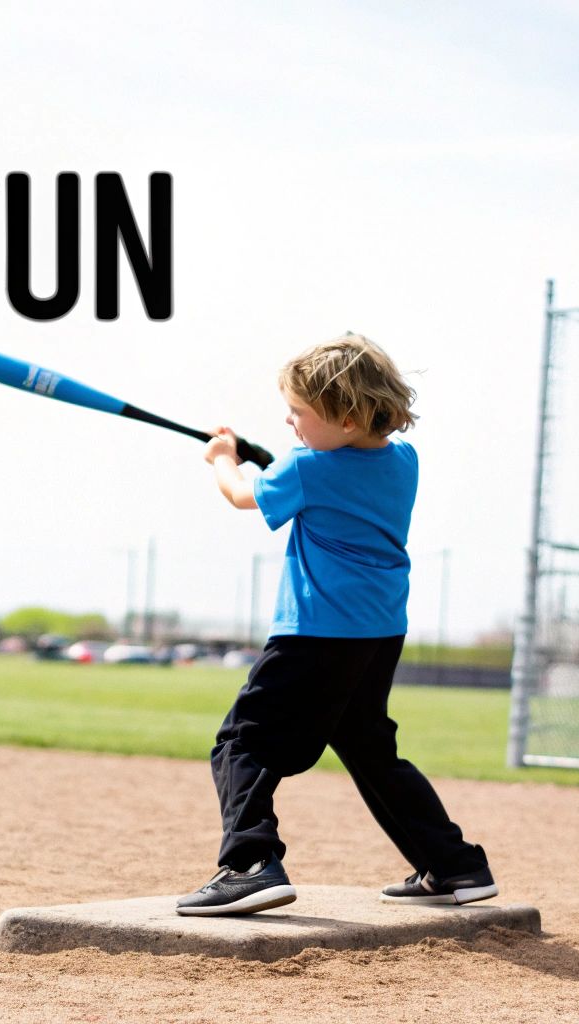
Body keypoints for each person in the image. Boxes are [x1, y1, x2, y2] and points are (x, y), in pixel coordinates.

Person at [176, 333, 495, 916]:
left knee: (241, 741)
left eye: (299, 413)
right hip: (378, 633)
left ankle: (249, 862)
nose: (291, 423)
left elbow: (244, 496)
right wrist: (275, 456)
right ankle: (455, 865)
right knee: (370, 748)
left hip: (315, 632)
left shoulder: (306, 468)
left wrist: (223, 459)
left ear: (347, 418)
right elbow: (329, 478)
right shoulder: (401, 460)